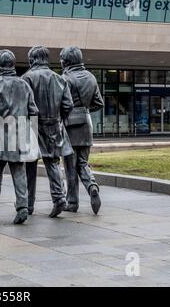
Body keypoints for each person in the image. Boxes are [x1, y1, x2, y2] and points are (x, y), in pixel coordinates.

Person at [0, 49, 39, 224]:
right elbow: (34, 111)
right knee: (19, 173)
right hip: (19, 135)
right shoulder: (24, 85)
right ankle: (22, 207)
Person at [22, 46, 74, 218]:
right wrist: (58, 118)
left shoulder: (26, 79)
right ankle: (59, 197)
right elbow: (68, 105)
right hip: (53, 125)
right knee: (52, 163)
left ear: (33, 59)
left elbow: (23, 106)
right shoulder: (59, 79)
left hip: (33, 126)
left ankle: (28, 204)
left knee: (30, 165)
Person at [60, 46, 105, 215]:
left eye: (62, 59)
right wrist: (84, 109)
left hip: (70, 127)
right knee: (83, 163)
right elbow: (99, 103)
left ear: (68, 61)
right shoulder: (91, 77)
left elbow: (62, 105)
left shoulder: (64, 78)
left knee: (70, 166)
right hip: (87, 124)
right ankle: (92, 185)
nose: (61, 62)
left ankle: (72, 202)